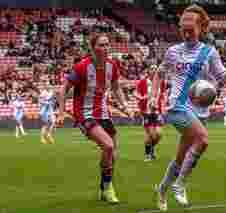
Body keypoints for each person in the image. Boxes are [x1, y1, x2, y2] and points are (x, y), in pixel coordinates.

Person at [154, 4, 226, 211]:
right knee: (203, 139)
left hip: (198, 110)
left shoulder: (209, 53)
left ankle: (162, 190)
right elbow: (159, 73)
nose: (186, 33)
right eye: (183, 29)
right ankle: (180, 184)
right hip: (177, 106)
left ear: (201, 28)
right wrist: (153, 95)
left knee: (179, 158)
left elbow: (222, 77)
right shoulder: (173, 51)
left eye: (190, 29)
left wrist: (213, 91)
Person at [57, 34, 133, 204]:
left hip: (103, 113)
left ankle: (103, 188)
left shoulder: (112, 66)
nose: (105, 48)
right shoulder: (82, 67)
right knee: (108, 145)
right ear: (93, 48)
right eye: (101, 45)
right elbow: (63, 90)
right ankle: (108, 188)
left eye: (107, 45)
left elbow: (116, 88)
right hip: (85, 114)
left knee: (112, 154)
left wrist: (125, 106)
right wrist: (62, 113)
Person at [135, 65, 163, 161]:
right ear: (148, 71)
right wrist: (141, 97)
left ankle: (151, 149)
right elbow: (136, 93)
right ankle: (148, 155)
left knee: (158, 134)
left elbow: (163, 95)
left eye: (156, 69)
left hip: (157, 111)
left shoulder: (161, 82)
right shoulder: (143, 82)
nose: (154, 70)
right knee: (151, 134)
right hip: (146, 112)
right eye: (152, 69)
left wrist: (163, 106)